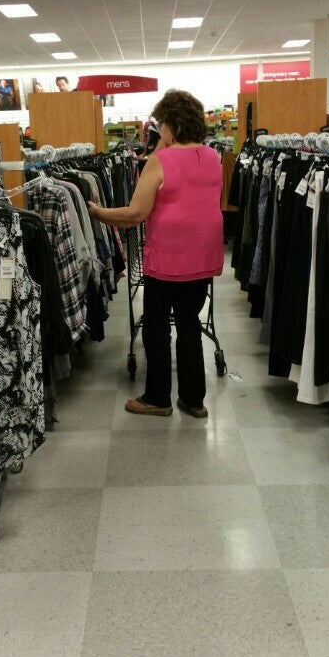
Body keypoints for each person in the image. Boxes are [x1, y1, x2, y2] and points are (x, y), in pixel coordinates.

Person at [88, 88, 224, 418]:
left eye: (162, 124)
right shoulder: (213, 157)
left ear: (171, 124)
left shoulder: (158, 162)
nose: (159, 130)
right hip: (202, 257)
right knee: (189, 325)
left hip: (167, 260)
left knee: (157, 327)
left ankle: (158, 398)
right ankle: (194, 400)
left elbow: (136, 213)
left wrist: (98, 213)